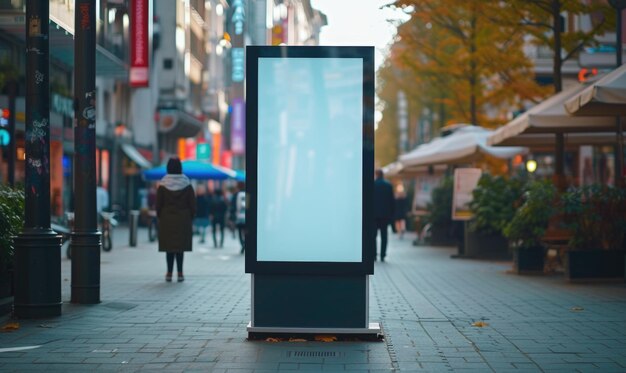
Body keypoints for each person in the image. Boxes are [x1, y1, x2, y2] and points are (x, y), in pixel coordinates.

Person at [156, 158, 196, 282]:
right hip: (183, 219)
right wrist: (190, 217)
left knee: (169, 247)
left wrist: (160, 216)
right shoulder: (187, 184)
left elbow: (158, 204)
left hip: (167, 218)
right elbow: (192, 204)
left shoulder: (163, 185)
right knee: (180, 247)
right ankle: (180, 272)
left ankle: (169, 273)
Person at [374, 169, 395, 262]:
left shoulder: (372, 185)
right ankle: (383, 255)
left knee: (372, 236)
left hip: (373, 215)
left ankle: (373, 254)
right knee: (384, 235)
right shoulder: (388, 185)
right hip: (385, 215)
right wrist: (392, 214)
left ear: (376, 175)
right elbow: (392, 201)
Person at [234, 183, 246, 253]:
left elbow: (238, 206)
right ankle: (244, 244)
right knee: (245, 232)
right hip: (246, 217)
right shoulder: (246, 194)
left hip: (240, 216)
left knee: (240, 231)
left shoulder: (239, 195)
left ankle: (242, 244)